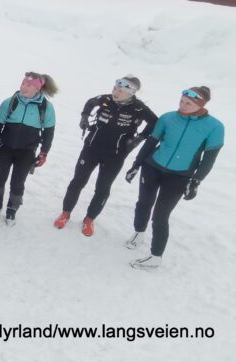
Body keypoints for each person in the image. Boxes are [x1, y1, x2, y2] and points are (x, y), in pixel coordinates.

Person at [123, 87, 223, 270]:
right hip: (152, 167)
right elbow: (151, 143)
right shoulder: (168, 118)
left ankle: (155, 257)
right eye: (181, 101)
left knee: (161, 215)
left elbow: (210, 158)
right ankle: (139, 233)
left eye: (189, 104)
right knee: (144, 203)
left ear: (201, 105)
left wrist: (196, 181)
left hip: (180, 175)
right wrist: (136, 165)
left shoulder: (215, 127)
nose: (182, 106)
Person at [56, 76, 158, 235]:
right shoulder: (105, 99)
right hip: (91, 148)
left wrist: (139, 138)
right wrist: (84, 117)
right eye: (115, 88)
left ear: (131, 93)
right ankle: (65, 213)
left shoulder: (138, 108)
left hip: (116, 155)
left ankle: (89, 219)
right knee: (78, 181)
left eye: (121, 90)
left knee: (102, 188)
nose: (115, 92)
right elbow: (90, 102)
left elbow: (155, 122)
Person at [0, 72, 58, 226]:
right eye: (23, 83)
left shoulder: (46, 108)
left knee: (18, 182)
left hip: (27, 152)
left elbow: (48, 133)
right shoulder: (10, 102)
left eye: (29, 85)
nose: (24, 87)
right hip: (5, 147)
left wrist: (44, 152)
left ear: (38, 89)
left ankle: (12, 210)